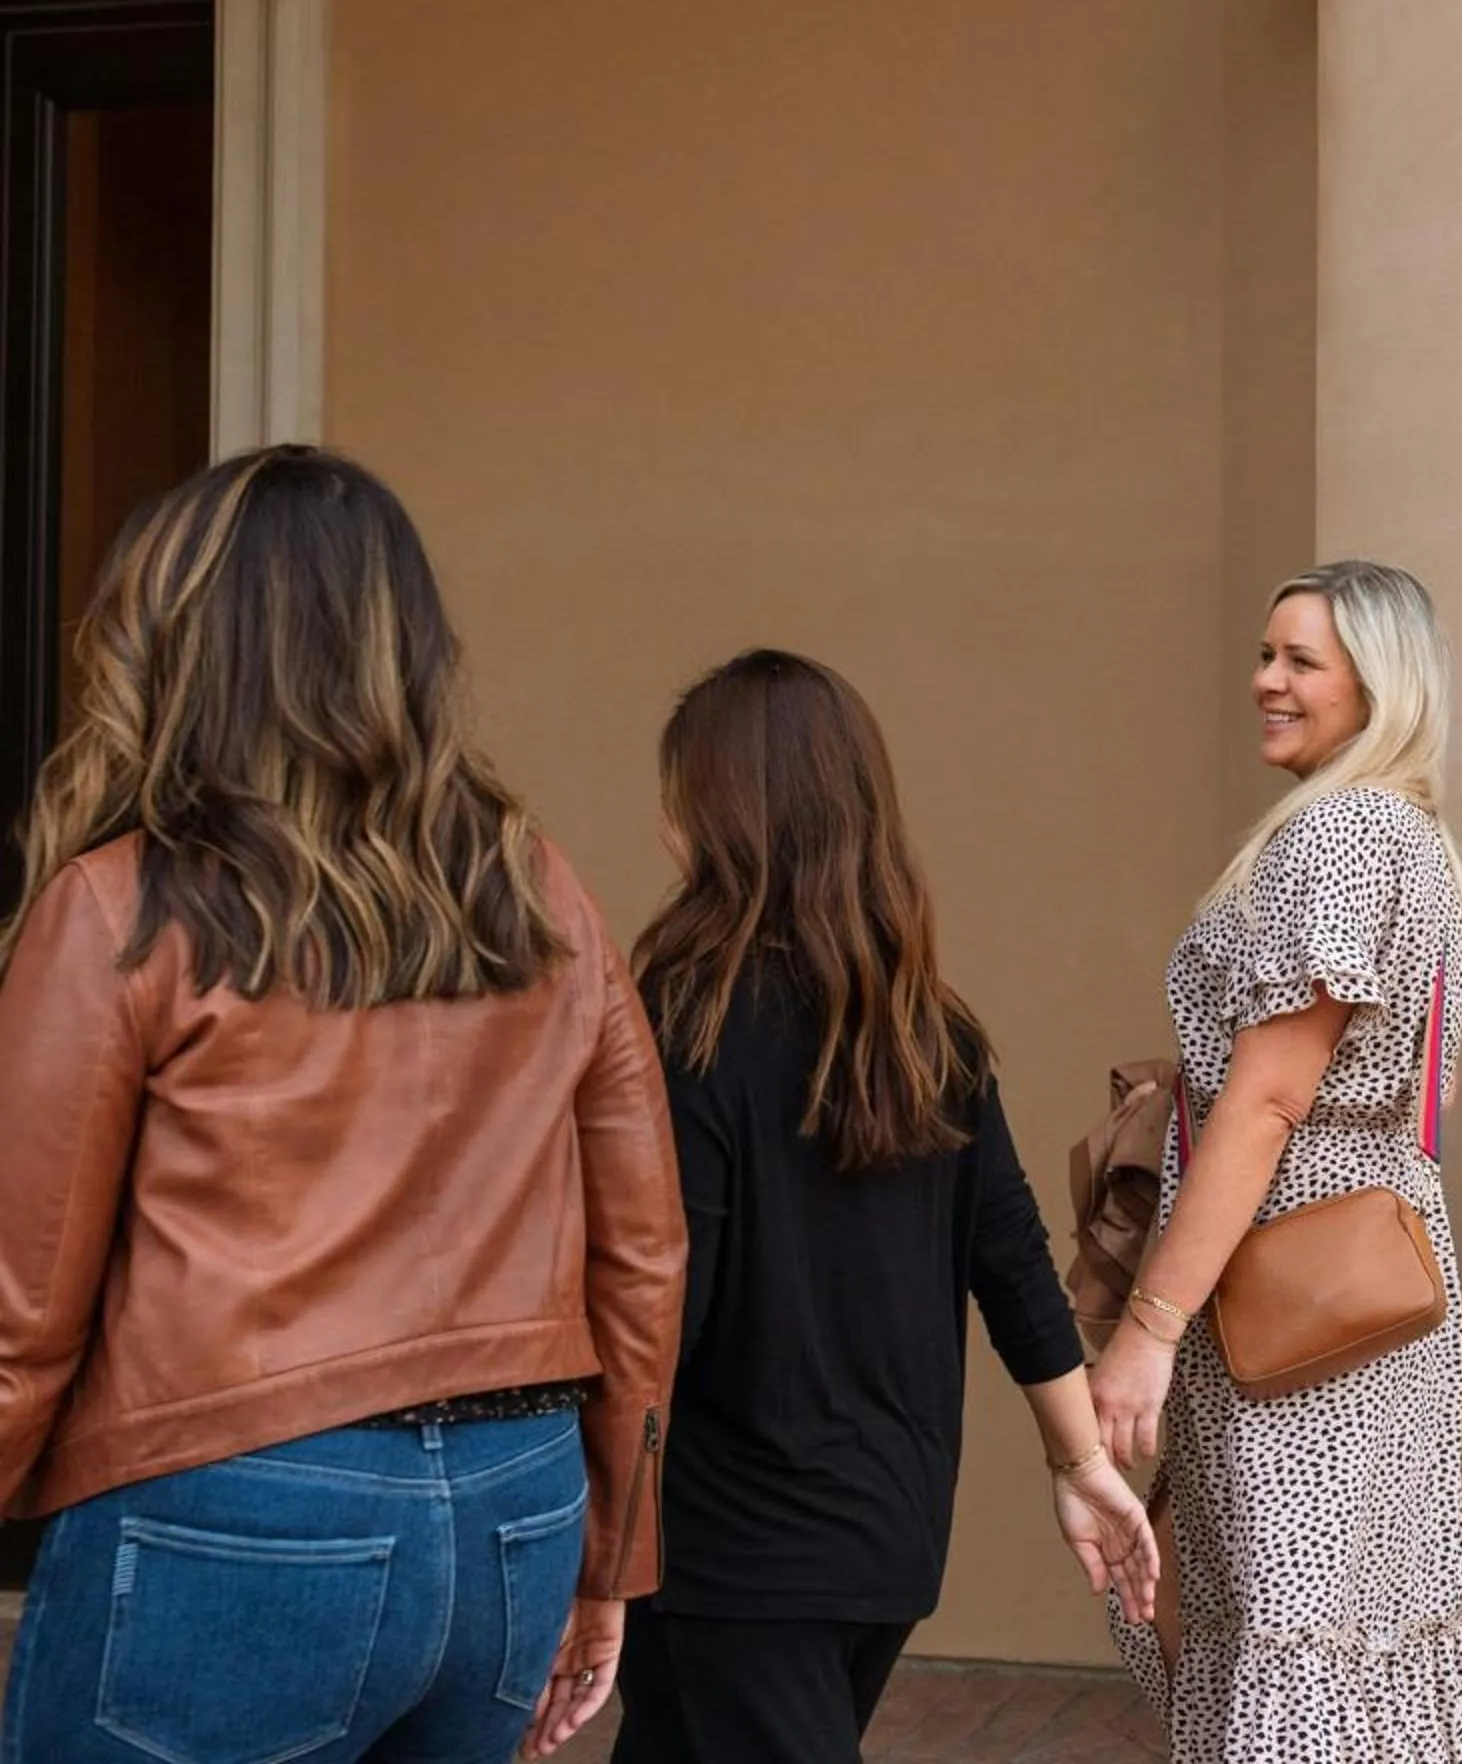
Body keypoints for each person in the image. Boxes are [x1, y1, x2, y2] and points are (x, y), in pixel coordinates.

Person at [0, 446, 685, 1764]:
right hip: (512, 1510)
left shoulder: (123, 906)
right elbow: (643, 1253)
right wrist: (609, 1554)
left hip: (235, 1513)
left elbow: (22, 1316)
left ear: (181, 646)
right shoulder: (542, 892)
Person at [1093, 561, 1462, 1760]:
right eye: (1266, 654)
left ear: (1379, 685)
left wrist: (1151, 1325)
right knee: (1363, 1611)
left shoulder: (1340, 832)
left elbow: (1270, 1095)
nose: (1266, 680)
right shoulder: (1402, 832)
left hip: (1297, 1307)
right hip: (1353, 1291)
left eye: (1301, 661)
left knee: (1300, 1619)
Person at [611, 650, 1158, 1764]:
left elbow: (665, 1305)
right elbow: (1008, 1258)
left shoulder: (684, 1028)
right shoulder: (928, 1035)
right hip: (886, 1531)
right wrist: (1079, 1462)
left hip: (737, 1544)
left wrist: (587, 1522)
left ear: (716, 814)